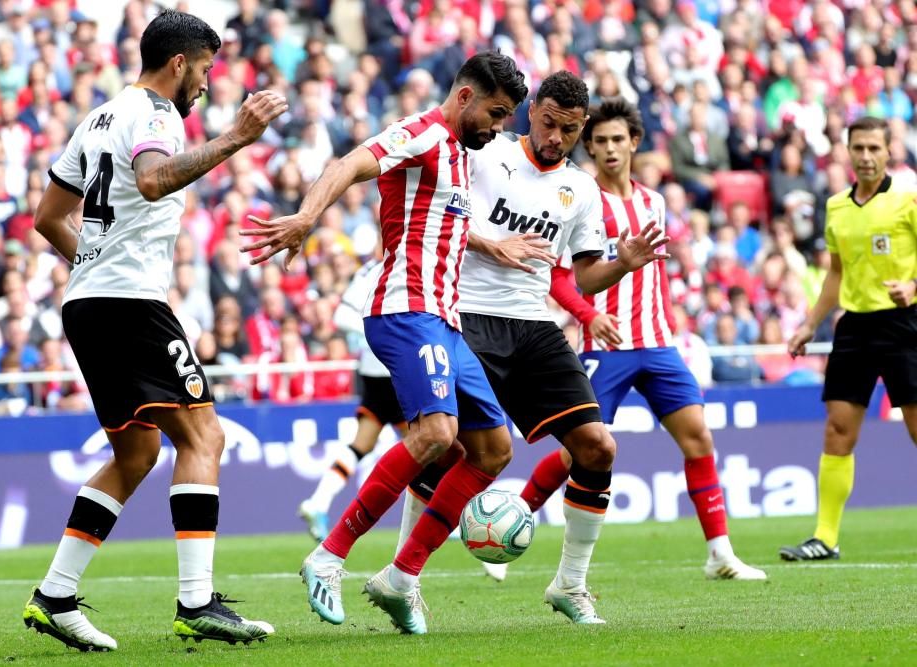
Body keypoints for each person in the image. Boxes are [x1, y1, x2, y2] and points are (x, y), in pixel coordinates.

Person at [24, 10, 287, 651]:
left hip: (88, 302)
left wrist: (93, 264)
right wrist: (235, 138)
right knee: (205, 434)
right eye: (203, 69)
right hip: (129, 302)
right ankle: (197, 602)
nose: (204, 83)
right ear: (179, 63)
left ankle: (55, 595)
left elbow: (48, 216)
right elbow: (151, 178)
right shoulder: (157, 115)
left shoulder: (99, 117)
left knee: (137, 454)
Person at [243, 52, 528, 635]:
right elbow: (350, 163)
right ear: (467, 97)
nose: (498, 127)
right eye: (496, 114)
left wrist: (489, 245)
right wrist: (305, 217)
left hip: (444, 319)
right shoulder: (421, 133)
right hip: (404, 309)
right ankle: (328, 556)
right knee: (435, 434)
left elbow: (439, 221)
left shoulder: (457, 154)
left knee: (495, 449)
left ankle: (400, 578)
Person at [395, 72, 669, 624]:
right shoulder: (483, 152)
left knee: (597, 448)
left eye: (568, 130)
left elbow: (584, 277)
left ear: (581, 128)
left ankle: (570, 585)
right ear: (531, 112)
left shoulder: (581, 189)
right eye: (547, 123)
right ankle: (404, 578)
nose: (555, 138)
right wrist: (490, 243)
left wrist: (622, 264)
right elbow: (433, 213)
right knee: (445, 448)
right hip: (465, 314)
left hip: (533, 324)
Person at [517, 99, 767, 580]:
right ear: (587, 146)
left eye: (618, 139)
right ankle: (516, 523)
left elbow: (654, 276)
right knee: (576, 455)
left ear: (634, 143)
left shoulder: (653, 201)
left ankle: (719, 553)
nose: (610, 148)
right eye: (600, 141)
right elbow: (557, 276)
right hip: (605, 348)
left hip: (657, 343)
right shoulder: (579, 199)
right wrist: (590, 315)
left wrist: (671, 325)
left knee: (699, 439)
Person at [781, 117, 917, 561]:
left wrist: (913, 287)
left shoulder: (908, 199)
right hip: (854, 327)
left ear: (888, 151)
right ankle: (825, 537)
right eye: (858, 148)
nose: (865, 156)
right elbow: (836, 274)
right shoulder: (837, 206)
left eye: (874, 148)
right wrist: (809, 323)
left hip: (904, 324)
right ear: (848, 151)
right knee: (838, 431)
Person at [297, 256, 407, 542]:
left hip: (376, 368)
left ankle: (318, 502)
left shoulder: (379, 265)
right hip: (394, 368)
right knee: (429, 444)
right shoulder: (386, 265)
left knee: (363, 444)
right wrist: (392, 336)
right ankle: (447, 521)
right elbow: (343, 317)